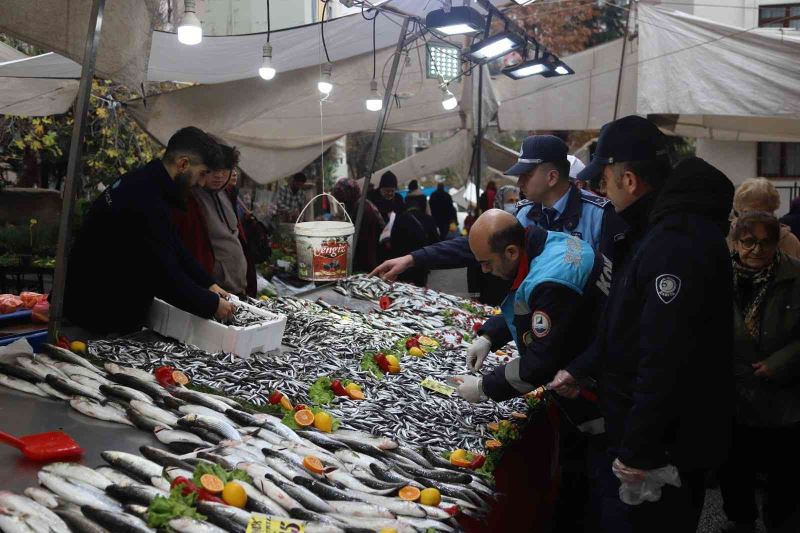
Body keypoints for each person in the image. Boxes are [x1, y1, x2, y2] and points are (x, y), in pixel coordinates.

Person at [548, 115, 735, 533]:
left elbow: (665, 355)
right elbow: (626, 320)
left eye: (605, 181)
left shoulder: (675, 243)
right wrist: (583, 367)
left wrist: (638, 450)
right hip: (646, 429)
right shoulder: (648, 228)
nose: (600, 191)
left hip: (667, 445)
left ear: (629, 180)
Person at [370, 135, 624, 304]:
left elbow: (614, 291)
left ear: (552, 177)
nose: (519, 181)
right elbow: (472, 246)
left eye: (527, 173)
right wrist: (412, 259)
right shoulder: (524, 214)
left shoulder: (600, 216)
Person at [64, 126, 234, 334]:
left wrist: (208, 284)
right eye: (201, 174)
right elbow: (163, 274)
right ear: (183, 164)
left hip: (101, 311)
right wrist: (211, 304)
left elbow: (172, 243)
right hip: (92, 315)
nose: (200, 183)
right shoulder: (144, 199)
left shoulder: (147, 183)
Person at [717, 211, 800, 533]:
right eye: (748, 242)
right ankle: (741, 520)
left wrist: (780, 362)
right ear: (736, 242)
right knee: (735, 467)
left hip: (785, 393)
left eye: (766, 243)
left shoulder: (794, 275)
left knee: (785, 473)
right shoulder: (719, 275)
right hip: (735, 391)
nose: (757, 250)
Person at [191, 145, 256, 297]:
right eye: (213, 169)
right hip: (214, 292)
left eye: (225, 169)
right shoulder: (193, 198)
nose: (219, 175)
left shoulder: (226, 194)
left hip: (238, 288)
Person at [730, 178, 800, 259]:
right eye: (748, 214)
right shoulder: (728, 235)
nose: (755, 220)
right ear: (739, 210)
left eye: (762, 215)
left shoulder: (787, 240)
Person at [331, 177, 385, 274]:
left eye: (342, 200)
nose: (341, 203)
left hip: (368, 262)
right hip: (366, 259)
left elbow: (361, 240)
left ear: (348, 195)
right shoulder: (357, 205)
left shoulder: (362, 209)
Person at [388, 195, 440, 286]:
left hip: (403, 262)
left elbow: (393, 242)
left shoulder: (399, 219)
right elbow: (435, 242)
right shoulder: (428, 219)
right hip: (421, 261)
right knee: (419, 290)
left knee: (403, 288)